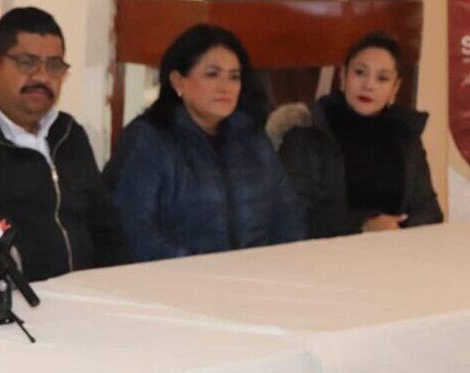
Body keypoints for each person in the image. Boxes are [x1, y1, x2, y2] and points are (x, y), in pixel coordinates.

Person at [0, 7, 127, 281]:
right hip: (13, 294)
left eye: (54, 66)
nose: (42, 77)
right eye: (27, 63)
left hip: (89, 291)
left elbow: (105, 225)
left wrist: (117, 284)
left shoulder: (68, 133)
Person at [103, 23, 305, 262]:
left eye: (234, 77)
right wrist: (203, 271)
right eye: (212, 74)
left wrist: (279, 265)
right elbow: (133, 230)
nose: (225, 87)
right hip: (175, 276)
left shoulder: (252, 137)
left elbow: (286, 214)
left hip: (256, 275)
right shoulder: (147, 140)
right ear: (178, 81)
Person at [277, 32, 442, 237]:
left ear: (395, 88)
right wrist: (363, 225)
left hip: (399, 251)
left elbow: (430, 211)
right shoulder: (305, 137)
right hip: (328, 254)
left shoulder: (407, 139)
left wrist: (398, 229)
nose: (369, 85)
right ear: (343, 76)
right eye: (360, 72)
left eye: (382, 78)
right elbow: (291, 220)